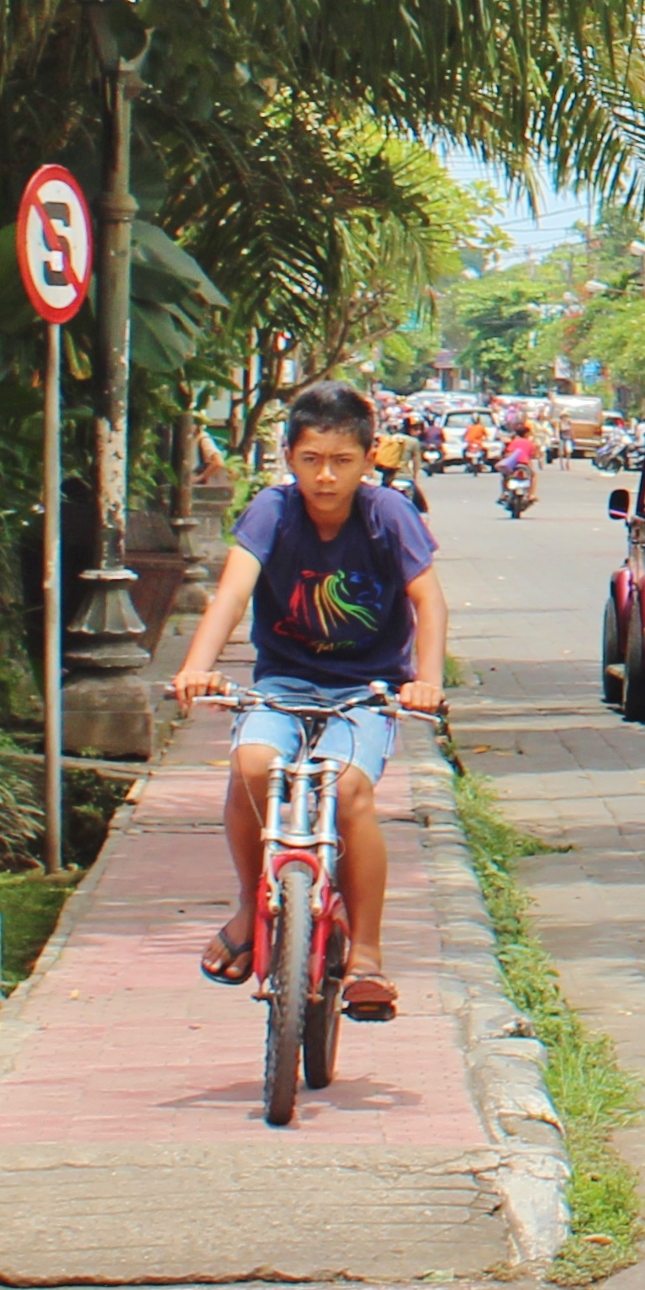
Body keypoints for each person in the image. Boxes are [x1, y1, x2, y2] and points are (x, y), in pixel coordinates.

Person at [169, 378, 450, 1022]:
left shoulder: (389, 515)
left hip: (367, 690)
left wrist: (425, 681)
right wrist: (195, 668)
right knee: (251, 767)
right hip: (284, 683)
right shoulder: (271, 511)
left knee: (350, 793)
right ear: (290, 458)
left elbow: (428, 601)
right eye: (311, 460)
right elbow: (232, 595)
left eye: (342, 461)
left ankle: (369, 956)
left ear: (368, 457)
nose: (326, 477)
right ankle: (249, 904)